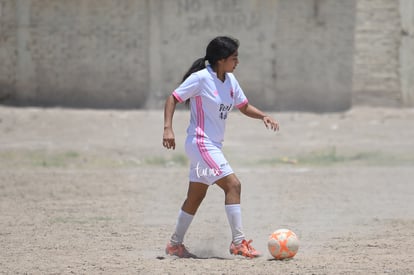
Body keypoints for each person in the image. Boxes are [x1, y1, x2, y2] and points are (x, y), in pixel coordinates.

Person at [162, 36, 279, 258]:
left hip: (209, 147)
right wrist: (168, 128)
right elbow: (173, 98)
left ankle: (174, 244)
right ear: (221, 60)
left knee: (195, 196)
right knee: (233, 185)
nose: (237, 62)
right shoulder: (201, 78)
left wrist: (263, 116)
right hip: (201, 143)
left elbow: (243, 107)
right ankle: (238, 243)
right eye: (234, 58)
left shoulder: (231, 81)